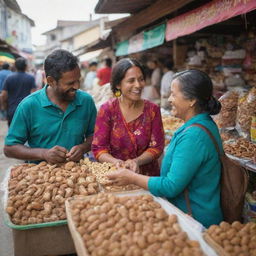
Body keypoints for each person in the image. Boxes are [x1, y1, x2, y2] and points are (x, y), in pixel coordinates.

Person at [107, 69, 223, 228]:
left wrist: (132, 178)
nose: (169, 99)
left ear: (191, 101)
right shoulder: (202, 124)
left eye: (174, 94)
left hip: (195, 219)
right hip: (192, 213)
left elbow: (170, 186)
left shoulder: (194, 136)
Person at [4, 49, 97, 164]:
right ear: (51, 81)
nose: (77, 87)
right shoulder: (29, 106)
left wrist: (83, 147)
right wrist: (44, 153)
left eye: (78, 80)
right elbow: (9, 148)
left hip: (78, 174)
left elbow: (95, 135)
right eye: (70, 83)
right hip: (41, 178)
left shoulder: (86, 101)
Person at [92, 58, 165, 176]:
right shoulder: (107, 110)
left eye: (141, 79)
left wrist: (137, 161)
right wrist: (117, 163)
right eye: (131, 81)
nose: (138, 85)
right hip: (117, 176)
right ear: (118, 84)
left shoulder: (152, 110)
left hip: (146, 178)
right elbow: (99, 148)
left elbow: (157, 146)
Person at [1, 58, 36, 126]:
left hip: (12, 109)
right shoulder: (30, 78)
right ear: (26, 66)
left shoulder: (9, 78)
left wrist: (4, 107)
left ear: (15, 66)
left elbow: (3, 95)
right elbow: (33, 94)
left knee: (12, 131)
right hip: (26, 110)